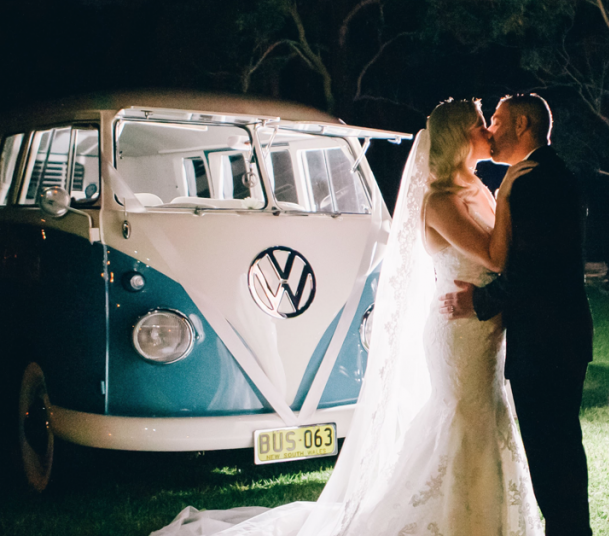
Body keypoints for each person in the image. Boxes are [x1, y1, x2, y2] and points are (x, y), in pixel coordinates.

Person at [153, 99, 541, 536]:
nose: (489, 132)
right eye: (481, 125)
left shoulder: (477, 189)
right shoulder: (441, 201)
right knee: (465, 418)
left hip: (485, 326)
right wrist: (509, 192)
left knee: (483, 416)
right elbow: (495, 255)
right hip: (460, 330)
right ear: (460, 137)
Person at [440, 94, 594, 536]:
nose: (490, 129)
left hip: (546, 343)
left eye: (496, 119)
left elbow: (531, 270)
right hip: (556, 337)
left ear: (522, 124)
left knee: (554, 459)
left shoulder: (533, 182)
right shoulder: (543, 174)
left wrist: (480, 301)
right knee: (559, 453)